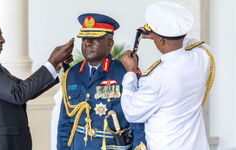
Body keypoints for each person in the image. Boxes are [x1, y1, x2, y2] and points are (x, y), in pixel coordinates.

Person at [0, 18, 74, 150]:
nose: (2, 39)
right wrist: (51, 61)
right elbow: (18, 94)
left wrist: (55, 66)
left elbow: (23, 89)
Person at [120, 2, 215, 150]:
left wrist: (130, 73)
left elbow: (131, 112)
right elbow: (193, 43)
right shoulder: (202, 57)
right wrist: (161, 33)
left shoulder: (155, 79)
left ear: (160, 40)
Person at [57, 13, 146, 150]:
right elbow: (65, 124)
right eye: (85, 38)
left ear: (110, 44)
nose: (87, 42)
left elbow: (138, 123)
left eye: (94, 38)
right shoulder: (72, 74)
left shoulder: (126, 73)